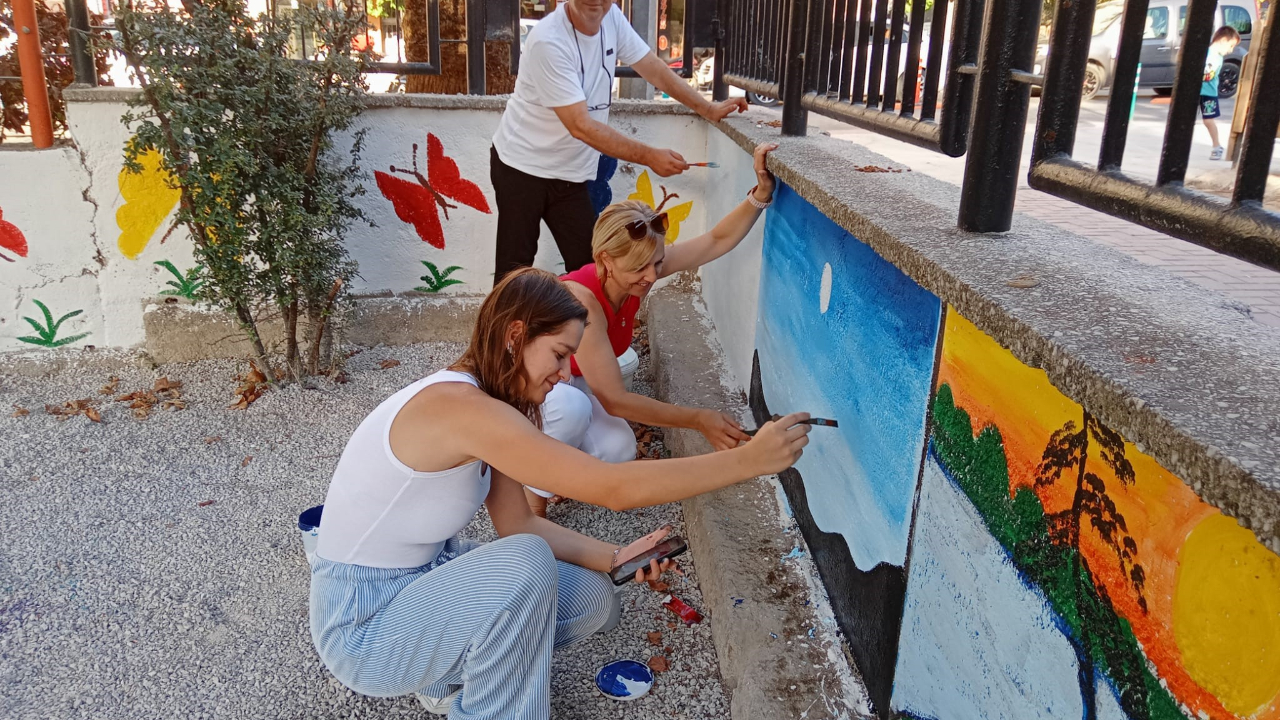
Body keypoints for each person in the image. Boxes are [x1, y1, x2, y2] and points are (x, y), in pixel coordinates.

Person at [309, 268, 810, 718]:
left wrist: (615, 558)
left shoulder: (490, 400)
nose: (567, 373)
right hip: (364, 624)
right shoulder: (461, 408)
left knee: (594, 600)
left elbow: (518, 522)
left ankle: (443, 675)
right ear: (515, 337)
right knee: (526, 563)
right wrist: (746, 462)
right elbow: (612, 487)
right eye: (559, 354)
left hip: (425, 583)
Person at [523, 141, 780, 517]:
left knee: (618, 449)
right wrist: (698, 419)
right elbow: (615, 400)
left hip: (572, 380)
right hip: (528, 390)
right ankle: (529, 503)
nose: (650, 276)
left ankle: (555, 462)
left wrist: (761, 194)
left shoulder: (638, 270)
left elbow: (715, 240)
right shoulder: (582, 301)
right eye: (639, 268)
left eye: (657, 263)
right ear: (605, 260)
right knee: (571, 409)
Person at [490, 0, 749, 286]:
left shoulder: (611, 16)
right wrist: (650, 156)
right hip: (521, 166)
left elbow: (652, 67)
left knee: (594, 270)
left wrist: (707, 108)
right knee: (513, 274)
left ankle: (589, 317)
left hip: (570, 175)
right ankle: (503, 318)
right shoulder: (548, 40)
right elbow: (581, 126)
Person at [1202, 25, 1241, 161]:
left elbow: (1208, 75)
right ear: (1223, 40)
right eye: (1231, 46)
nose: (1231, 50)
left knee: (1208, 120)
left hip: (1209, 93)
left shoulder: (1217, 57)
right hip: (1200, 91)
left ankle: (1216, 146)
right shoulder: (1207, 52)